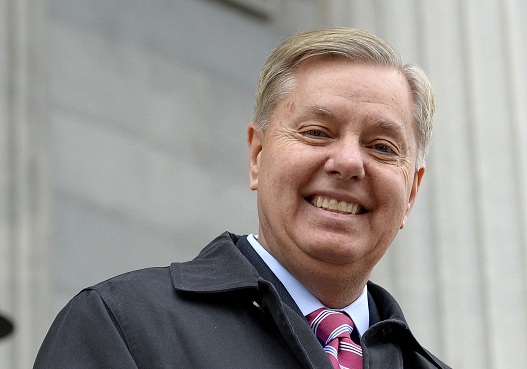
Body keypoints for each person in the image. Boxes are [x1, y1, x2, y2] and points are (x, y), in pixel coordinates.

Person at [34, 27, 451, 369]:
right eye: (316, 132)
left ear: (411, 192)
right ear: (257, 155)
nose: (347, 162)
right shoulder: (124, 325)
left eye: (381, 147)